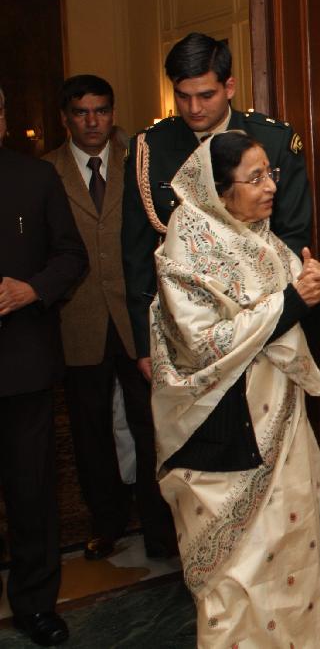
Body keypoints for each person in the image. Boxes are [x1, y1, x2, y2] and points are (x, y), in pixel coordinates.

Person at [150, 130, 320, 646]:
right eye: (254, 178)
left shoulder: (262, 238)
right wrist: (292, 301)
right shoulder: (189, 244)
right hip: (223, 431)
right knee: (234, 574)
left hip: (281, 418)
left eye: (269, 173)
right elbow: (201, 342)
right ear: (218, 191)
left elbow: (287, 313)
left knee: (289, 550)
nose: (271, 186)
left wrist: (309, 286)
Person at [122, 32, 313, 385]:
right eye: (183, 96)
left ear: (229, 87)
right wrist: (144, 343)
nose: (194, 108)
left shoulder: (273, 141)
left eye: (206, 95)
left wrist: (267, 315)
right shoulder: (150, 149)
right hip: (184, 330)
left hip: (264, 325)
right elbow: (136, 255)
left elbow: (292, 234)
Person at [42, 74, 176, 561]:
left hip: (135, 316)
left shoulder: (137, 161)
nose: (92, 121)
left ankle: (161, 530)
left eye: (100, 111)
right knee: (90, 430)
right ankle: (107, 523)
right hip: (77, 319)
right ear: (66, 118)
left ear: (112, 114)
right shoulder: (46, 172)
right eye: (81, 113)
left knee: (150, 425)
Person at [0, 83, 88, 646]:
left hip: (22, 364)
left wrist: (32, 290)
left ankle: (35, 604)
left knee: (30, 490)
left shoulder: (35, 178)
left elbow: (72, 255)